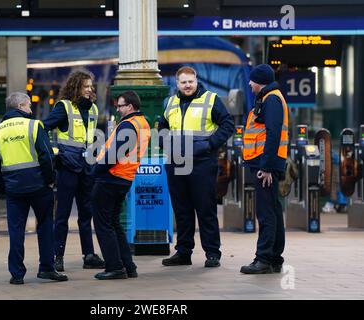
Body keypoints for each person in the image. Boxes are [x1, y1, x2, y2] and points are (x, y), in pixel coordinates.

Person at [0, 92, 67, 284]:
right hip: (39, 186)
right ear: (21, 106)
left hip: (14, 189)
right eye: (29, 106)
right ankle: (47, 268)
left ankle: (17, 274)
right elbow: (46, 156)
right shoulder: (34, 126)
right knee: (46, 225)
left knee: (16, 231)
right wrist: (51, 180)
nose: (31, 109)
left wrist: (2, 187)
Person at [159, 66, 234, 268]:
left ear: (196, 80)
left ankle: (212, 253)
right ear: (177, 84)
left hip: (202, 163)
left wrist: (210, 144)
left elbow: (228, 124)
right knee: (181, 210)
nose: (187, 85)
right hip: (176, 162)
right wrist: (165, 143)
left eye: (190, 81)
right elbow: (162, 126)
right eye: (183, 82)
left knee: (205, 208)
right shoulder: (170, 102)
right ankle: (183, 252)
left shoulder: (210, 99)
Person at [43, 71, 105, 272]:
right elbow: (43, 128)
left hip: (87, 167)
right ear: (75, 87)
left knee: (86, 213)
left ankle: (88, 255)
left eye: (90, 86)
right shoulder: (64, 108)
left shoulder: (94, 109)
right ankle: (57, 256)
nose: (89, 90)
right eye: (85, 86)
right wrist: (51, 154)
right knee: (62, 215)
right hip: (68, 167)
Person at [92, 91, 150, 280]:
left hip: (111, 178)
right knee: (114, 223)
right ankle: (128, 266)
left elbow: (113, 154)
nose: (117, 109)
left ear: (130, 107)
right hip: (124, 178)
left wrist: (94, 170)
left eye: (120, 106)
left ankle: (115, 267)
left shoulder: (128, 125)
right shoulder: (142, 123)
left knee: (104, 224)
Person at [241, 64, 289, 274]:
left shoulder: (271, 99)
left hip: (265, 164)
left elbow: (273, 133)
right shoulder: (270, 97)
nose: (250, 84)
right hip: (263, 162)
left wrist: (267, 166)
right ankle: (274, 258)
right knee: (274, 211)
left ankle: (263, 259)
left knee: (266, 213)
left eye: (252, 80)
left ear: (259, 80)